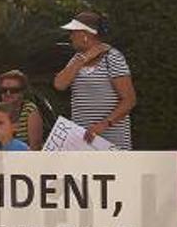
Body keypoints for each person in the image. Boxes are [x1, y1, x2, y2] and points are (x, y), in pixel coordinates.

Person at [52, 11, 136, 150]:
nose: (70, 36)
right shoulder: (77, 59)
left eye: (74, 32)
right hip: (83, 141)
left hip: (112, 141)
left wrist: (104, 125)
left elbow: (129, 100)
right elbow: (59, 84)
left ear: (86, 34)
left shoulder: (113, 57)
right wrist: (84, 59)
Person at [0, 69, 43, 150]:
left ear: (22, 92)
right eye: (4, 90)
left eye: (13, 90)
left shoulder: (29, 110)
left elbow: (35, 148)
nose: (8, 93)